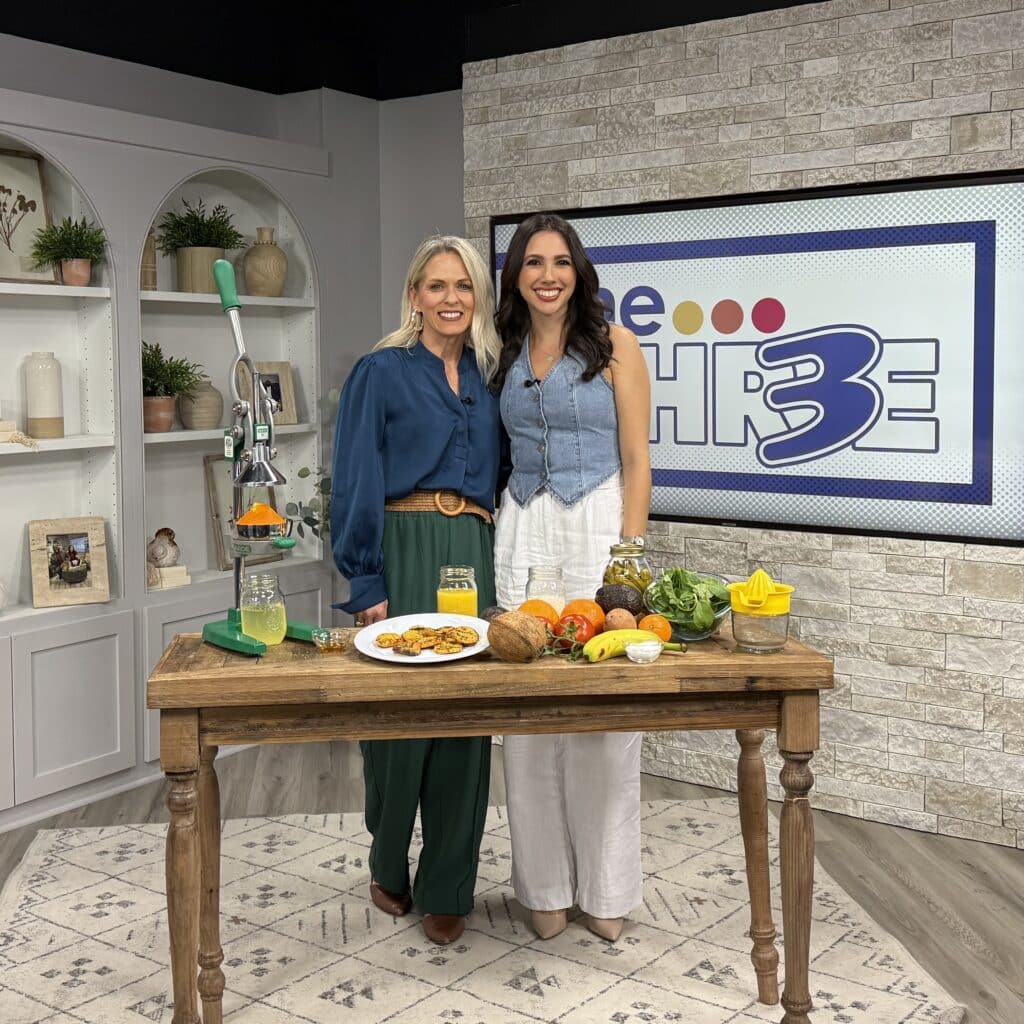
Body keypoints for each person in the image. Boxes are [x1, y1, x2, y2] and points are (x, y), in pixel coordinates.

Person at [330, 235, 503, 945]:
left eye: (463, 286)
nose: (451, 298)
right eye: (436, 286)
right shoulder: (381, 372)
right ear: (414, 296)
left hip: (473, 551)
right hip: (403, 547)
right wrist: (366, 574)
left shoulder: (491, 381)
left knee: (464, 723)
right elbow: (355, 474)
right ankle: (386, 862)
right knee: (400, 724)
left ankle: (448, 884)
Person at [492, 212, 652, 943]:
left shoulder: (618, 344)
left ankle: (608, 887)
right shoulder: (505, 349)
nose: (547, 274)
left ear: (578, 271)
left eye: (560, 261)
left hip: (596, 526)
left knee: (602, 715)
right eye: (533, 262)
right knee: (525, 719)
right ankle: (544, 886)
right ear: (517, 275)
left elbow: (638, 461)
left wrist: (630, 557)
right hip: (523, 527)